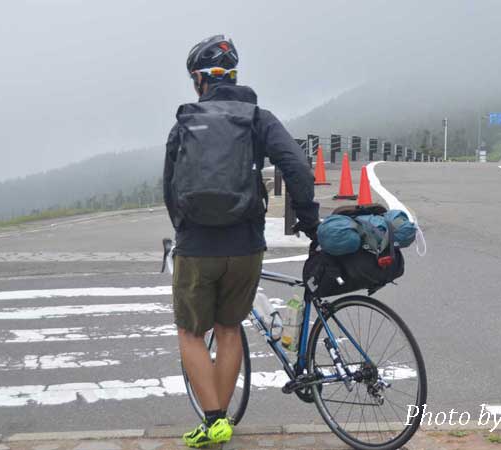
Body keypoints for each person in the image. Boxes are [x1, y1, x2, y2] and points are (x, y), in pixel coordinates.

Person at [163, 34, 319, 447]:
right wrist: (308, 217)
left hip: (197, 245)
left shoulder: (185, 123)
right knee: (229, 328)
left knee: (191, 333)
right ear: (232, 75)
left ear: (200, 80)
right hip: (247, 243)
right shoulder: (257, 118)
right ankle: (222, 420)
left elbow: (169, 188)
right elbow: (298, 167)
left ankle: (213, 418)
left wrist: (185, 229)